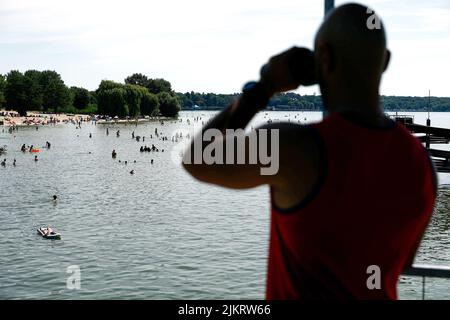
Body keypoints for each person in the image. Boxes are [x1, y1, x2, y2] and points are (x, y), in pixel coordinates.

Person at [182, 4, 436, 300]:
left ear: (323, 59)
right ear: (386, 61)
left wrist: (263, 88)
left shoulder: (296, 148)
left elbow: (199, 158)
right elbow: (402, 262)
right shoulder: (422, 165)